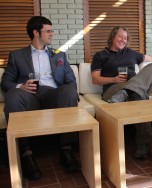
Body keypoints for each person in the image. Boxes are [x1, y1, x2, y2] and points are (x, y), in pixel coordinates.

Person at [1, 16, 80, 180]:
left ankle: (66, 149)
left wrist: (69, 94)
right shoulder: (17, 56)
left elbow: (70, 81)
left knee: (69, 91)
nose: (52, 34)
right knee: (14, 95)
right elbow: (6, 82)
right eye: (48, 31)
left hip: (52, 94)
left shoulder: (59, 55)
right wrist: (20, 87)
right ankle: (25, 153)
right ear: (36, 33)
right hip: (30, 96)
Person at [91, 26, 152, 159]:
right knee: (141, 97)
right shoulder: (100, 55)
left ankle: (127, 92)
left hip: (131, 88)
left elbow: (150, 58)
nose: (123, 40)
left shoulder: (130, 53)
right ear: (112, 37)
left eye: (125, 38)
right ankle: (143, 146)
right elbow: (95, 79)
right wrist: (113, 79)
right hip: (113, 90)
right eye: (120, 36)